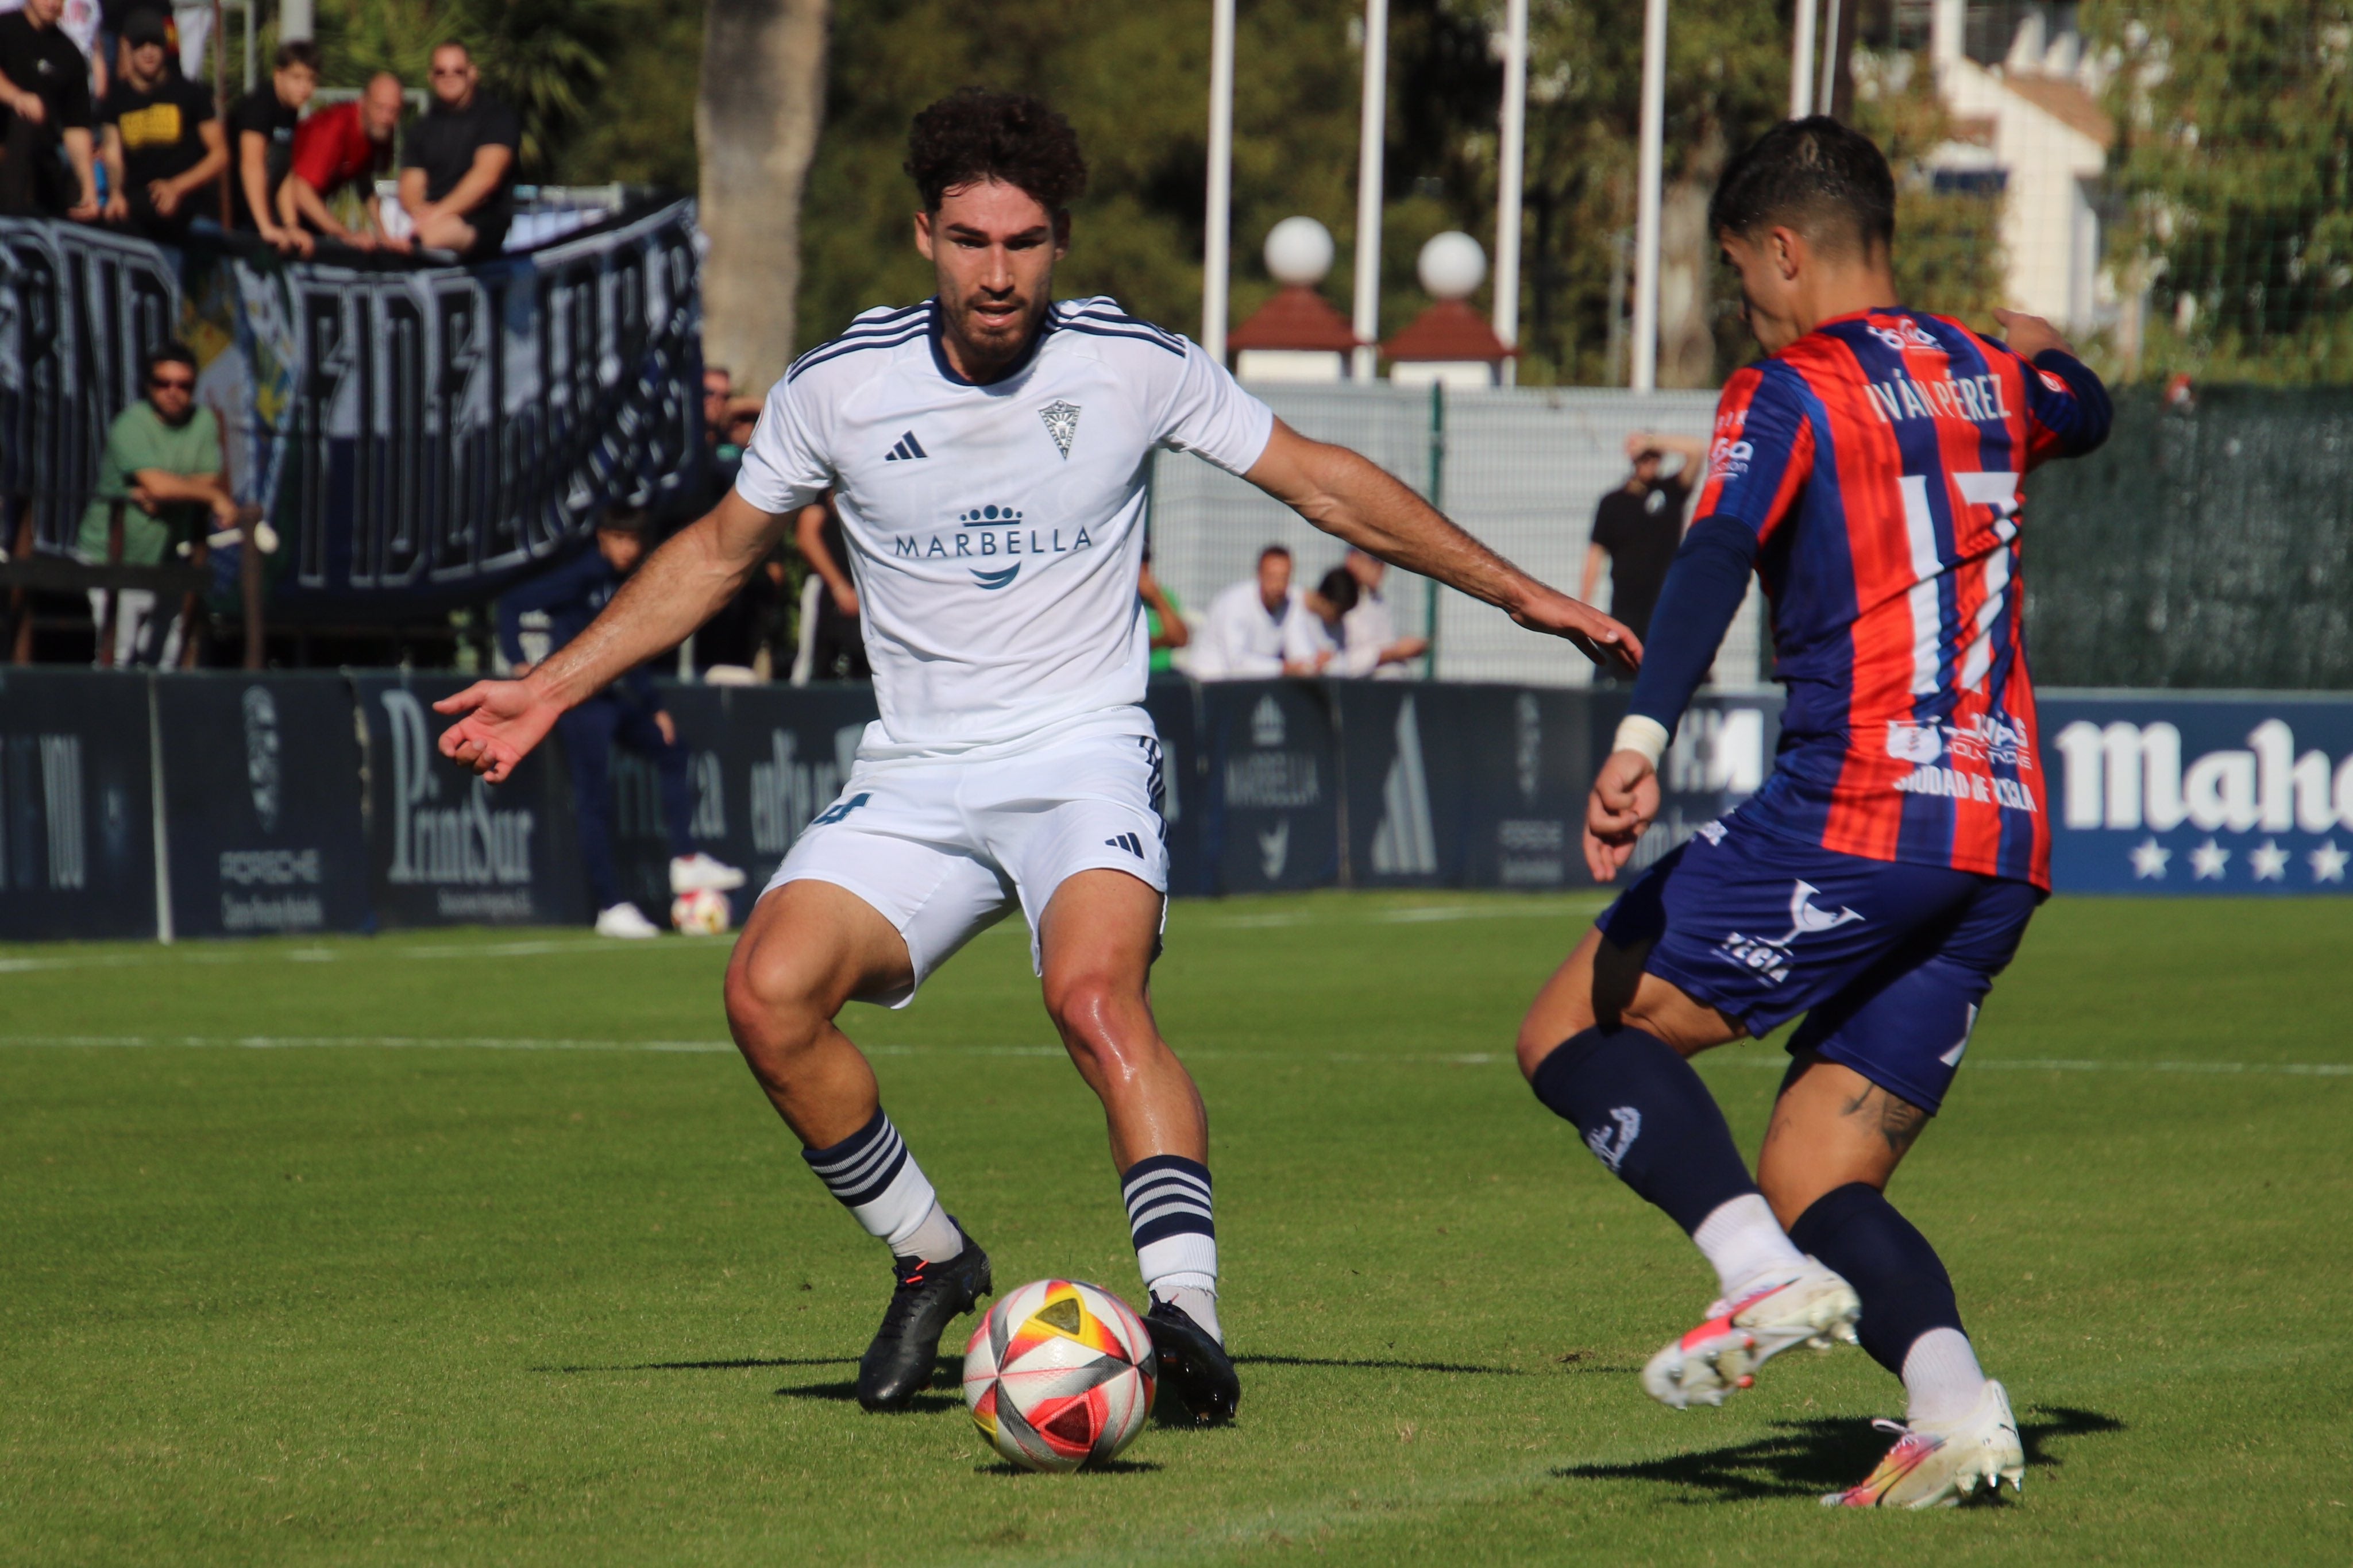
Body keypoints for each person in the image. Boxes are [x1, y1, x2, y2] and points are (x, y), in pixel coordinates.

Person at [433, 87, 1633, 1427]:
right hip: (916, 773)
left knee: (1094, 999)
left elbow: (1323, 482)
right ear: (922, 237)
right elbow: (719, 555)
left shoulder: (1131, 363)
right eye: (968, 240)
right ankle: (934, 1262)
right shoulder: (839, 388)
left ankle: (1186, 1322)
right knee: (767, 997)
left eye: (1022, 242)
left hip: (1084, 756)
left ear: (1059, 240)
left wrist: (1522, 595)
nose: (995, 272)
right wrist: (548, 687)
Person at [1512, 117, 2111, 1509]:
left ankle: (1757, 1281)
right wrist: (2048, 346)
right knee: (1816, 1162)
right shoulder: (1990, 372)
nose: (1746, 302)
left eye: (1741, 273)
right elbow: (2087, 406)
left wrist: (1644, 732)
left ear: (1783, 250)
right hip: (2001, 839)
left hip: (1864, 809)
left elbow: (1717, 548)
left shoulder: (1787, 388)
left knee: (1570, 1027)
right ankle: (1957, 1408)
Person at [496, 508, 746, 939]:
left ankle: (685, 861)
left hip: (612, 698)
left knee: (671, 750)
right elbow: (512, 604)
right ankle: (610, 907)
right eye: (620, 539)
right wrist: (519, 663)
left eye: (635, 540)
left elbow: (628, 649)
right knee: (594, 802)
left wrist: (652, 706)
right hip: (579, 703)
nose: (628, 549)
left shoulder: (626, 583)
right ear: (602, 539)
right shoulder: (583, 574)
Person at [76, 340, 244, 665]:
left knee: (168, 660)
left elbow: (207, 477)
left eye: (183, 385)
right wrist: (209, 496)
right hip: (111, 559)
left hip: (166, 562)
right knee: (119, 657)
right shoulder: (130, 424)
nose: (173, 391)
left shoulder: (203, 422)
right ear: (148, 386)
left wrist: (167, 493)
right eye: (163, 383)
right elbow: (176, 486)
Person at [97, 6, 221, 242]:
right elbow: (113, 154)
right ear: (128, 49)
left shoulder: (190, 93)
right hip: (138, 205)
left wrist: (177, 187)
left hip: (187, 205)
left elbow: (220, 155)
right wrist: (115, 194)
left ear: (165, 48)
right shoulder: (116, 100)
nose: (148, 52)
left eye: (154, 44)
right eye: (140, 45)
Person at [1580, 431, 1705, 656]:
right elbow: (1595, 554)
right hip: (1626, 607)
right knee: (1618, 674)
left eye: (1655, 458)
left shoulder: (1671, 491)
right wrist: (1584, 606)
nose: (1650, 464)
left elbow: (1696, 451)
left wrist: (1651, 440)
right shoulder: (1613, 503)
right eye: (1644, 458)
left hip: (1667, 606)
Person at [398, 41, 517, 260]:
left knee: (428, 237)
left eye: (458, 71)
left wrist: (438, 214)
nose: (449, 77)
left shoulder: (497, 117)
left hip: (481, 221)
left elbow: (486, 178)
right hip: (433, 218)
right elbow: (410, 184)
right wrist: (420, 211)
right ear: (431, 77)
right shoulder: (422, 127)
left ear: (472, 73)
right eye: (441, 72)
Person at [278, 71, 405, 252]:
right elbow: (300, 190)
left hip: (307, 210)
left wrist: (385, 236)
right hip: (282, 206)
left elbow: (364, 180)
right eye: (380, 108)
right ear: (363, 103)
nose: (386, 118)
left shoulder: (379, 132)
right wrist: (346, 235)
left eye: (393, 111)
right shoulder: (335, 128)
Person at [0, 0, 100, 219]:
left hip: (44, 161)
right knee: (22, 121)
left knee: (79, 200)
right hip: (6, 147)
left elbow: (77, 128)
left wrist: (90, 190)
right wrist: (18, 98)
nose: (52, 3)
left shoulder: (70, 54)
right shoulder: (5, 29)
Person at [226, 40, 314, 250]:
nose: (304, 87)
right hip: (224, 216)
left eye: (311, 80)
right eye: (297, 78)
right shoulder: (260, 105)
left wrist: (291, 225)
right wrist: (265, 227)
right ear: (278, 74)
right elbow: (252, 165)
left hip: (252, 218)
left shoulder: (290, 111)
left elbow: (283, 168)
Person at [788, 492, 869, 683]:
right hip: (831, 595)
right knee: (816, 670)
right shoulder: (828, 476)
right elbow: (807, 536)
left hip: (874, 593)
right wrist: (839, 586)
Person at [1193, 543, 1297, 679]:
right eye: (1272, 577)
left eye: (1284, 578)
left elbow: (1300, 651)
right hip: (1211, 685)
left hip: (1252, 686)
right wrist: (1283, 668)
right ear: (1259, 575)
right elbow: (1237, 664)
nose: (1278, 585)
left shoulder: (1290, 602)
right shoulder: (1235, 603)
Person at [1339, 547, 1426, 678]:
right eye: (1374, 559)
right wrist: (1396, 653)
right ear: (1352, 560)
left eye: (1385, 561)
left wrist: (1406, 651)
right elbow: (1345, 662)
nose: (1381, 567)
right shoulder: (1341, 601)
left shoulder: (1378, 601)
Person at [1278, 565, 1358, 675]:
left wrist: (1326, 664)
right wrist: (1320, 663)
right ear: (1323, 598)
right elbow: (1298, 662)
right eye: (1338, 612)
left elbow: (1343, 666)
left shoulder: (1338, 625)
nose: (1340, 618)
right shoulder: (1290, 602)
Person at [1139, 549, 1187, 674]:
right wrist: (1165, 640)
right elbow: (1134, 646)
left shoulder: (1162, 595)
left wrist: (1156, 596)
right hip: (1135, 673)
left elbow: (1180, 639)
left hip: (1162, 671)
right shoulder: (1117, 598)